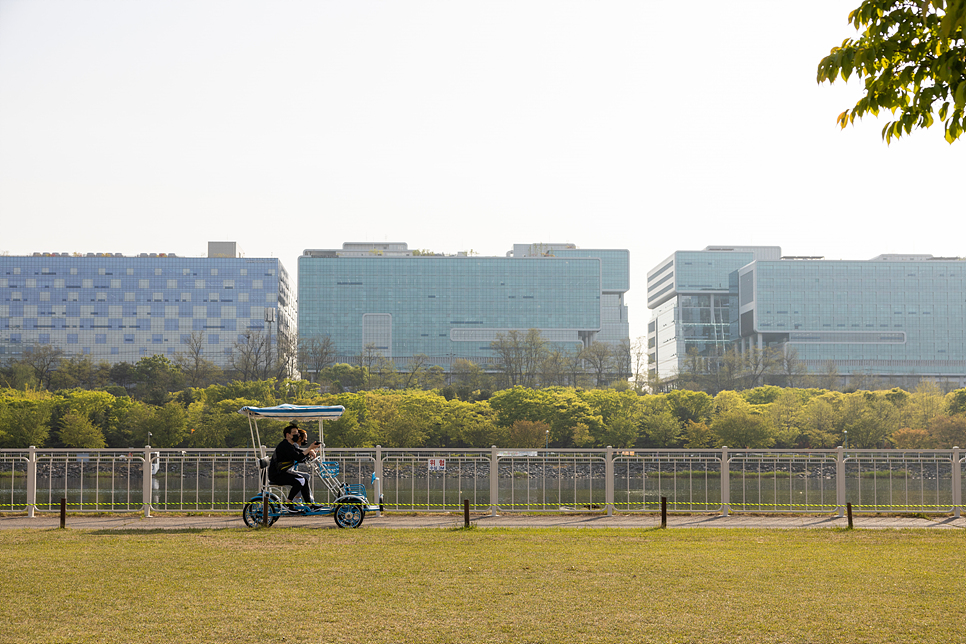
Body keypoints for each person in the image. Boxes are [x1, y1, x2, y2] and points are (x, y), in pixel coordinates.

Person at [269, 424, 322, 512]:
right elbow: (297, 457)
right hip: (277, 474)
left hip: (283, 472)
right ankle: (288, 503)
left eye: (297, 433)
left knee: (304, 479)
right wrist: (309, 448)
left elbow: (299, 453)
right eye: (294, 433)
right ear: (288, 435)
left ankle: (309, 505)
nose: (297, 435)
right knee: (301, 480)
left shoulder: (290, 445)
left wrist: (310, 451)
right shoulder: (284, 445)